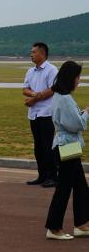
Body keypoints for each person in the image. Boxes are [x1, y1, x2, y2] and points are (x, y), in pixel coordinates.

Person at [44, 61, 89, 240]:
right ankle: (54, 228)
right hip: (67, 145)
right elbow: (75, 125)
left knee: (80, 185)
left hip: (67, 145)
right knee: (64, 187)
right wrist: (86, 113)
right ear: (71, 78)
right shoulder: (65, 99)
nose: (79, 80)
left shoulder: (60, 96)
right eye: (78, 77)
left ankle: (81, 224)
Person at [23, 42, 59, 188]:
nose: (31, 54)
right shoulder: (30, 71)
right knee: (38, 146)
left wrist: (34, 99)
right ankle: (42, 175)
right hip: (34, 114)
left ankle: (53, 176)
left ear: (42, 53)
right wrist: (34, 95)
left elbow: (52, 89)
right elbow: (25, 89)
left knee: (47, 145)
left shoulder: (52, 70)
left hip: (47, 113)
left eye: (34, 52)